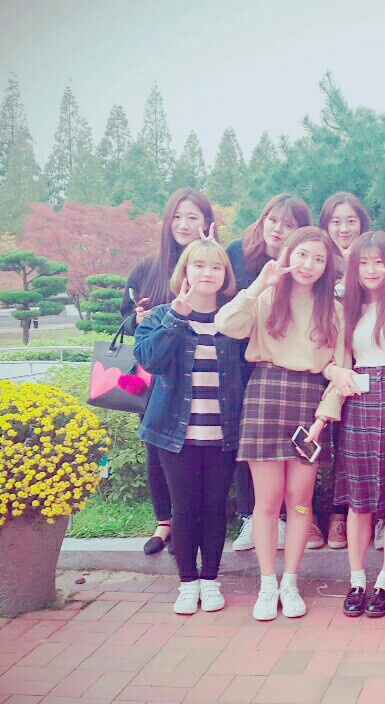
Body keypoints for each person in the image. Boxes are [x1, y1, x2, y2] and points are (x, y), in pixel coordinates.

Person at [216, 228, 346, 621]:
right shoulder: (267, 296)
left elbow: (341, 368)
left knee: (300, 499)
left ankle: (290, 580)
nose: (309, 265)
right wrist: (260, 284)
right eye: (302, 255)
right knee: (267, 501)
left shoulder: (334, 309)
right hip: (266, 393)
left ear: (327, 267)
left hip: (309, 400)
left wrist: (323, 418)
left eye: (319, 259)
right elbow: (226, 324)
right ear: (288, 254)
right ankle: (267, 582)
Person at [308, 231, 385, 619]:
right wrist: (333, 372)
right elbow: (327, 356)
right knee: (359, 501)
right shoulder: (347, 307)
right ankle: (357, 580)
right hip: (361, 400)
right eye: (363, 262)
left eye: (379, 261)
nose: (372, 270)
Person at [133, 238, 244, 615]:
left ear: (225, 274)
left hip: (222, 433)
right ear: (185, 271)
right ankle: (187, 583)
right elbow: (150, 361)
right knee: (183, 507)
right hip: (174, 434)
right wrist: (176, 318)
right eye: (199, 265)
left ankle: (210, 580)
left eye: (216, 267)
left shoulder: (234, 318)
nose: (207, 273)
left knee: (214, 507)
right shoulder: (161, 315)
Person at [121, 188, 215, 557]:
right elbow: (124, 320)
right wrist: (139, 319)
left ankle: (192, 522)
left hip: (204, 374)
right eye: (177, 216)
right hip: (161, 377)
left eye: (192, 217)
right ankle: (165, 522)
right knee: (157, 446)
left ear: (207, 222)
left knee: (202, 449)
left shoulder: (214, 263)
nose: (183, 224)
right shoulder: (149, 267)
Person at [225, 194, 315, 553]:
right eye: (272, 220)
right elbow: (226, 307)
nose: (277, 229)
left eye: (288, 224)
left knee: (295, 458)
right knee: (249, 444)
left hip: (284, 365)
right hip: (239, 356)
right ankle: (251, 515)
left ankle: (287, 518)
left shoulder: (302, 262)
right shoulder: (238, 252)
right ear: (262, 219)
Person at [316, 192, 372, 548]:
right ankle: (308, 516)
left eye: (351, 221)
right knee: (318, 438)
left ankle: (341, 513)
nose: (343, 228)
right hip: (324, 360)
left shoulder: (370, 260)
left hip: (362, 362)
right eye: (335, 221)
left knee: (349, 442)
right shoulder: (318, 260)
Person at [320, 191, 370, 259]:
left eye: (351, 221)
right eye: (336, 222)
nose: (344, 229)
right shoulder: (317, 257)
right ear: (325, 225)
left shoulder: (375, 257)